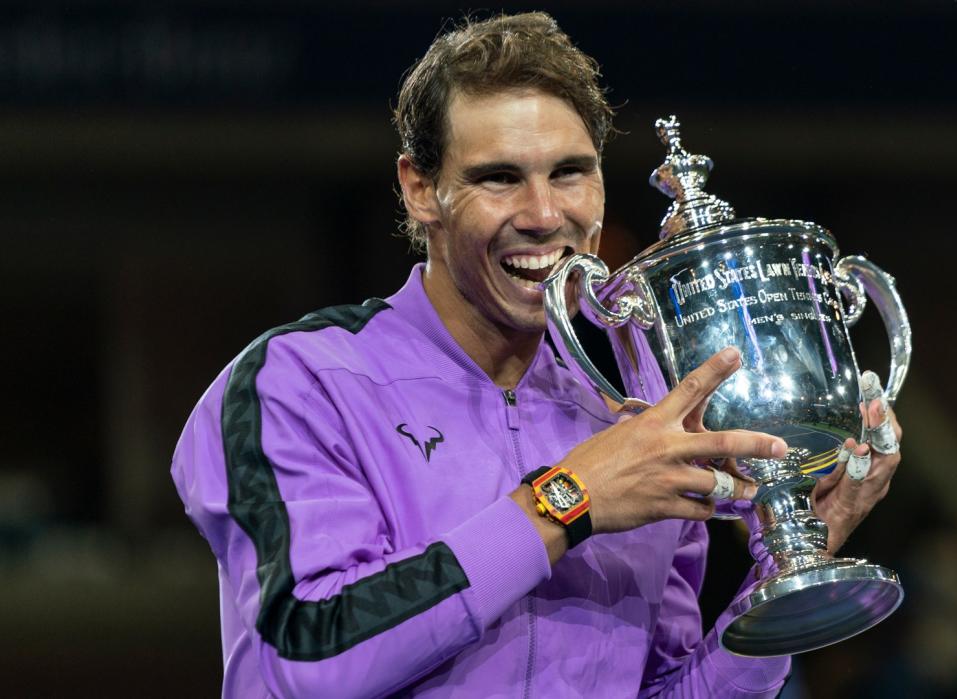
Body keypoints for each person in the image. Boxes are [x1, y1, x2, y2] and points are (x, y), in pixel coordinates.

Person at [171, 11, 902, 698]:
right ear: (421, 188)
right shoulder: (299, 382)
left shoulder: (638, 414)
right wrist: (566, 499)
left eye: (570, 172)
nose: (545, 216)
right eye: (499, 177)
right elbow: (304, 656)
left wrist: (786, 575)